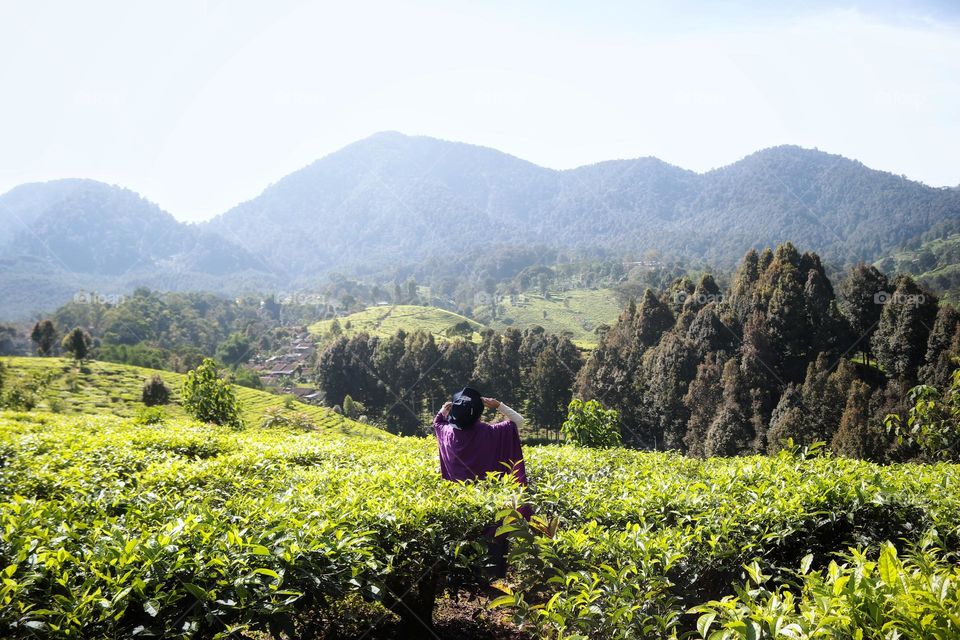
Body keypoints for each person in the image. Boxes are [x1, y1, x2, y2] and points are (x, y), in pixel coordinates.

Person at [433, 386, 529, 579]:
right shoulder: (492, 432)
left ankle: (462, 578)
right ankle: (491, 578)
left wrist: (445, 408)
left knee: (462, 540)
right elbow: (519, 421)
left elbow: (437, 422)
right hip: (488, 503)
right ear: (478, 412)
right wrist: (498, 405)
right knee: (491, 537)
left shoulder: (447, 434)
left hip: (459, 503)